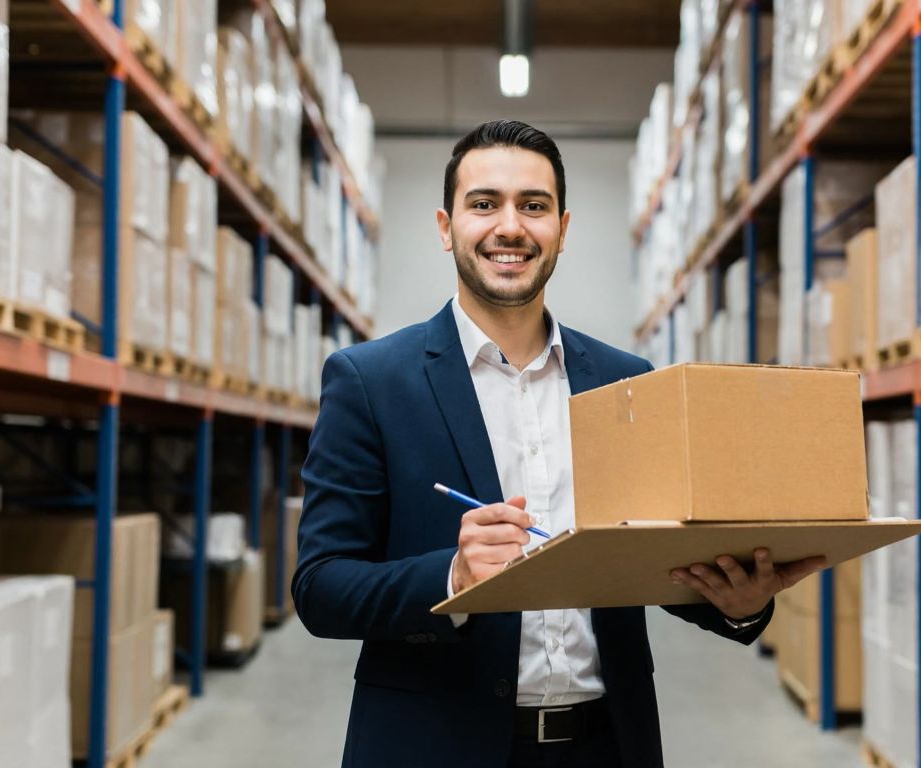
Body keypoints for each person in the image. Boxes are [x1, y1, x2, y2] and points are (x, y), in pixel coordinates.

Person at [293, 120, 826, 768]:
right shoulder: (370, 382)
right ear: (445, 226)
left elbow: (653, 557)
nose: (510, 227)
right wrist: (453, 577)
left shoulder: (627, 383)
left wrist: (739, 608)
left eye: (534, 206)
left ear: (563, 231)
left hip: (604, 745)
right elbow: (320, 585)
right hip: (436, 744)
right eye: (484, 203)